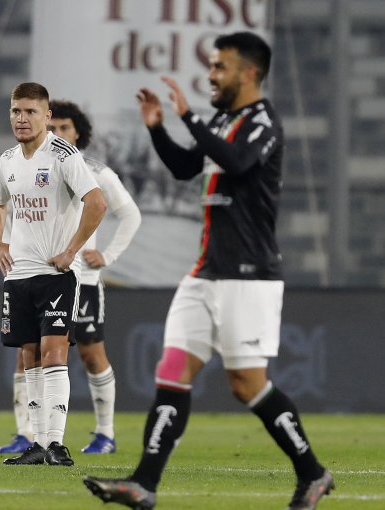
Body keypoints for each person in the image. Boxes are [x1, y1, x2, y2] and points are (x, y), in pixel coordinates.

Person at [83, 32, 334, 510]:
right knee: (172, 370)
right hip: (205, 272)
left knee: (247, 385)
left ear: (249, 73)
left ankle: (313, 472)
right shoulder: (223, 118)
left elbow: (237, 162)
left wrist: (188, 117)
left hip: (249, 275)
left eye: (220, 67)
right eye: (212, 65)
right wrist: (158, 129)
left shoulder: (265, 122)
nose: (211, 74)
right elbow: (184, 167)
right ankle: (143, 483)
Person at [0, 101, 141, 457]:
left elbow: (129, 215)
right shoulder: (21, 163)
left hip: (81, 278)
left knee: (90, 353)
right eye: (54, 127)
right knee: (26, 352)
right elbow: (11, 211)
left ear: (79, 134)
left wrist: (106, 256)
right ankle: (27, 434)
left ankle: (104, 432)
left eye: (65, 128)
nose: (58, 134)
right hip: (32, 273)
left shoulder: (94, 172)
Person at [0, 82, 107, 467]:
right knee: (28, 355)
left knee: (55, 351)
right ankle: (38, 444)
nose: (22, 119)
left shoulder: (62, 155)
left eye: (31, 112)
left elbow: (97, 202)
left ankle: (56, 443)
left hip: (54, 274)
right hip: (17, 274)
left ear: (47, 116)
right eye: (16, 111)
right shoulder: (7, 160)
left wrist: (71, 250)